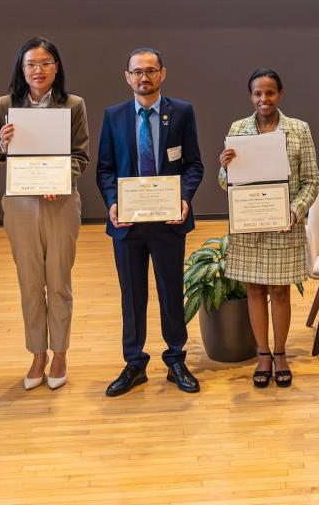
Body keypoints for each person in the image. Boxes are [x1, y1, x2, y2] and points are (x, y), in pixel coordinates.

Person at [97, 48, 205, 396]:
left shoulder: (182, 113)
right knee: (132, 294)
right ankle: (134, 361)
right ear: (127, 76)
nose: (144, 77)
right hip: (127, 225)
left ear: (162, 74)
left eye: (150, 71)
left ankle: (176, 358)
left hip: (169, 221)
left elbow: (193, 165)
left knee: (172, 292)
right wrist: (113, 202)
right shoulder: (113, 116)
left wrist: (185, 198)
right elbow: (105, 169)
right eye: (137, 72)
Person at [0, 38, 90, 391]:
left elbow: (80, 156)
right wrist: (2, 143)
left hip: (60, 202)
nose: (38, 70)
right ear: (22, 68)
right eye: (31, 64)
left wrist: (61, 179)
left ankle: (60, 351)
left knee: (58, 281)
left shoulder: (73, 105)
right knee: (30, 283)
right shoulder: (6, 104)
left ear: (57, 67)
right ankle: (36, 353)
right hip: (20, 203)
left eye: (46, 63)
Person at [217, 69, 319, 387]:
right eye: (258, 94)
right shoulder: (238, 129)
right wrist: (224, 167)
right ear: (251, 96)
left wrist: (294, 211)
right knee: (254, 289)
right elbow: (226, 184)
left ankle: (280, 353)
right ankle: (262, 354)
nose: (264, 99)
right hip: (249, 226)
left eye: (270, 93)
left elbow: (312, 181)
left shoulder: (299, 130)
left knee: (279, 290)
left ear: (280, 94)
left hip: (283, 225)